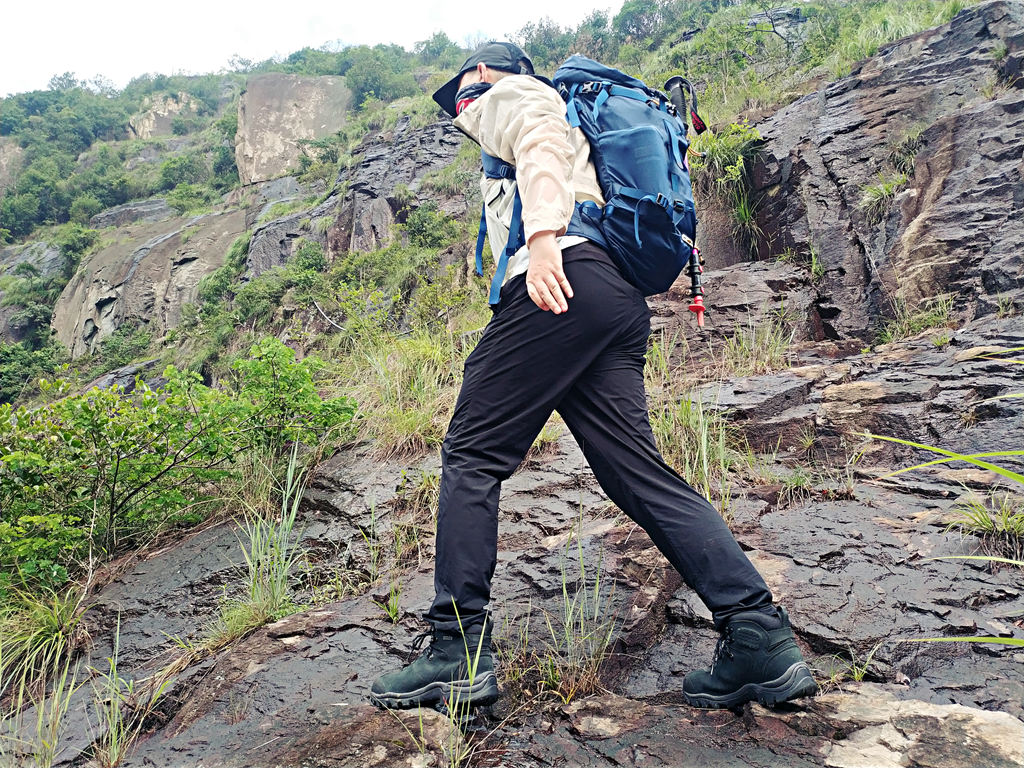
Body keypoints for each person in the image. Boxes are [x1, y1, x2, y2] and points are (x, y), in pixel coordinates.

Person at [369, 42, 816, 711]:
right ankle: (758, 636)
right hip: (613, 301)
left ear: (482, 73)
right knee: (639, 476)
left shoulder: (514, 93)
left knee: (470, 454)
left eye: (461, 88)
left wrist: (543, 238)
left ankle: (454, 651)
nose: (458, 106)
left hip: (562, 280)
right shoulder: (578, 119)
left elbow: (540, 137)